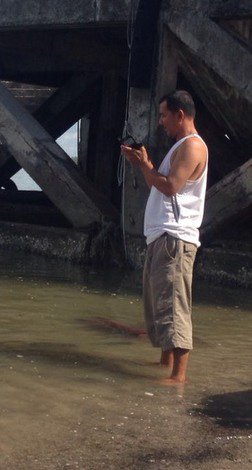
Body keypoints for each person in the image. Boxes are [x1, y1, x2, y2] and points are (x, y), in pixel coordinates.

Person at [121, 90, 208, 384]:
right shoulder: (181, 146)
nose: (161, 122)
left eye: (163, 115)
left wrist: (145, 165)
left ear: (179, 115)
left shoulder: (192, 147)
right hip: (163, 237)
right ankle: (165, 365)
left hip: (175, 237)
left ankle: (177, 377)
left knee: (173, 305)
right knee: (160, 306)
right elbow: (162, 184)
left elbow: (170, 186)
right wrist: (143, 165)